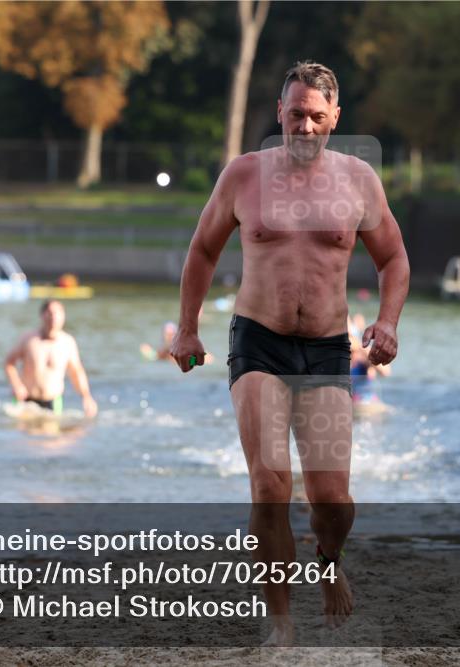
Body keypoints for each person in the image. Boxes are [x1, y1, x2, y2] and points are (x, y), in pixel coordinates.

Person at [170, 61, 410, 645]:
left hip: (327, 349)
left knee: (334, 501)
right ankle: (280, 621)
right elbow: (202, 250)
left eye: (315, 116)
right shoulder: (244, 176)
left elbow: (394, 259)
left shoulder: (358, 181)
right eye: (295, 114)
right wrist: (187, 329)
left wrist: (386, 321)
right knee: (270, 484)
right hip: (259, 341)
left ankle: (327, 560)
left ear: (335, 119)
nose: (304, 126)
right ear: (279, 113)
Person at [4, 299, 98, 418]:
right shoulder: (29, 339)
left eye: (58, 313)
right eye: (50, 313)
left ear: (63, 316)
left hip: (52, 401)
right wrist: (16, 385)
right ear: (42, 315)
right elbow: (9, 363)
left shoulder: (67, 342)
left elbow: (76, 372)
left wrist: (86, 396)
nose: (53, 317)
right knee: (23, 435)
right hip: (26, 400)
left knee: (54, 435)